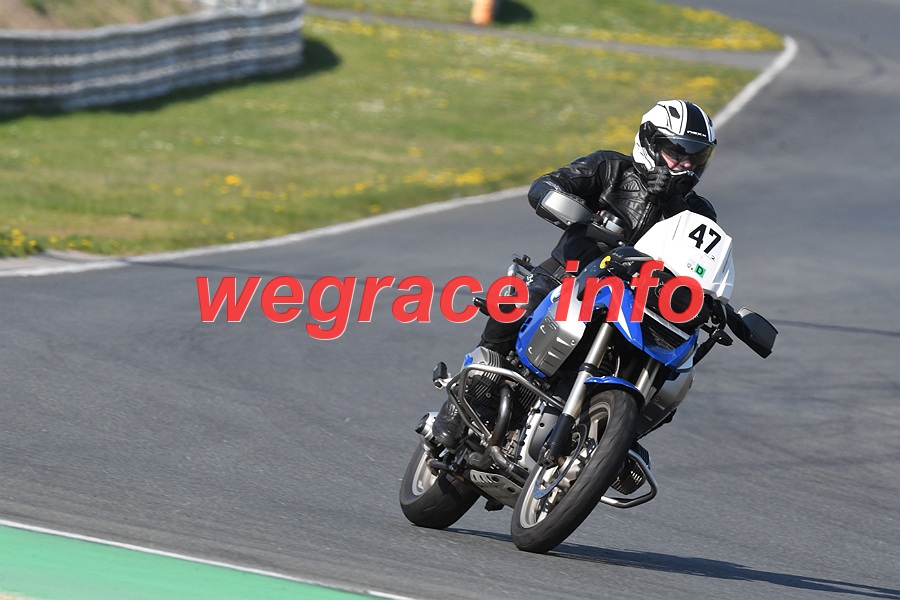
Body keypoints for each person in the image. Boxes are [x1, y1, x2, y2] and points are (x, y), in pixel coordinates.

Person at [432, 99, 719, 447]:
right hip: (568, 277)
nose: (686, 165)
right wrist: (575, 210)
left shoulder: (698, 212)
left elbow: (702, 263)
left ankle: (616, 445)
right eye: (677, 152)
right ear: (649, 142)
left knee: (670, 380)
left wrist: (672, 203)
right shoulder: (611, 168)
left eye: (696, 157)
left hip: (637, 306)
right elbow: (547, 185)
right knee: (518, 304)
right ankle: (461, 400)